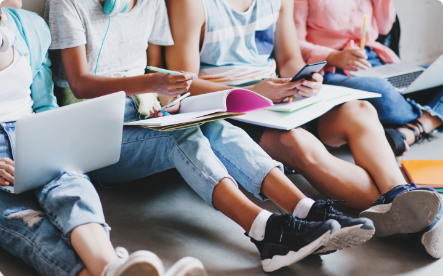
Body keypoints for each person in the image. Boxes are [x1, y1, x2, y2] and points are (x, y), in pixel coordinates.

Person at [45, 0, 380, 272]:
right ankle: (266, 232)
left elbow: (156, 68)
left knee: (215, 123)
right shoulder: (66, 4)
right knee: (179, 137)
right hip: (98, 132)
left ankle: (305, 209)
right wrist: (151, 84)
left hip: (146, 113)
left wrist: (170, 91)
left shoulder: (149, 2)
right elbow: (80, 84)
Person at [165, 0, 443, 259]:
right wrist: (251, 91)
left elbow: (289, 61)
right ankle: (425, 221)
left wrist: (307, 81)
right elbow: (182, 87)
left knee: (360, 110)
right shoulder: (191, 4)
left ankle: (400, 196)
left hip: (279, 96)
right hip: (233, 107)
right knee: (296, 142)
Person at [0, 2, 208, 276]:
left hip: (33, 133)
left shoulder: (27, 27)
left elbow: (43, 103)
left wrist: (58, 135)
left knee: (73, 189)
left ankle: (111, 266)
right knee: (30, 223)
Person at [293, 0, 443, 156]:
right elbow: (292, 45)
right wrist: (331, 56)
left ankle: (413, 130)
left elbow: (384, 28)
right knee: (382, 93)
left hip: (376, 61)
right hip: (335, 68)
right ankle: (430, 115)